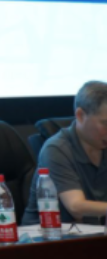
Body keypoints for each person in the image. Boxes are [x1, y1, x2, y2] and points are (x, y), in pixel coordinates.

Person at [22, 81, 107, 225]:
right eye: (105, 123)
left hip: (92, 232)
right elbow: (76, 207)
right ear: (80, 115)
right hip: (45, 234)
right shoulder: (57, 149)